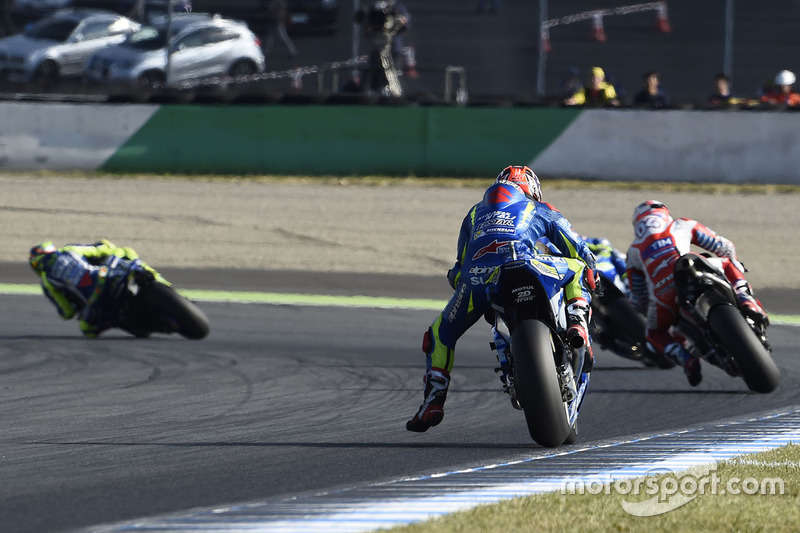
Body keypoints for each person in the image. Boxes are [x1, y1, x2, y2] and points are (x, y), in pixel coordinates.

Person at [406, 166, 597, 433]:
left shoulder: (474, 213)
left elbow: (459, 269)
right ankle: (577, 321)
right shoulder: (537, 208)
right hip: (528, 263)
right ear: (532, 189)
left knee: (439, 334)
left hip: (478, 278)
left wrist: (465, 285)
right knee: (577, 268)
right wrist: (592, 270)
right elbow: (576, 246)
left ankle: (432, 401)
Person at [626, 201, 768, 386]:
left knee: (654, 333)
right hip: (692, 266)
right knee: (728, 263)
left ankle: (686, 359)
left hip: (663, 294)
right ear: (664, 214)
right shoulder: (681, 224)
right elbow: (725, 247)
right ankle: (747, 300)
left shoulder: (633, 251)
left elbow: (638, 296)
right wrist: (736, 263)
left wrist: (648, 307)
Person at [29, 239, 162, 338]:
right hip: (105, 276)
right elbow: (102, 249)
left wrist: (74, 306)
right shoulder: (70, 250)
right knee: (127, 252)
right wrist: (104, 246)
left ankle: (122, 322)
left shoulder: (47, 281)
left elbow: (67, 312)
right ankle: (157, 280)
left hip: (94, 299)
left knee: (87, 330)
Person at [355, 0, 408, 96]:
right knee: (374, 72)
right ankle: (374, 91)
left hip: (393, 49)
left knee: (392, 73)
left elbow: (404, 24)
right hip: (376, 49)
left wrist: (397, 21)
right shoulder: (375, 7)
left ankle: (394, 95)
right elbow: (361, 19)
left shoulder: (398, 8)